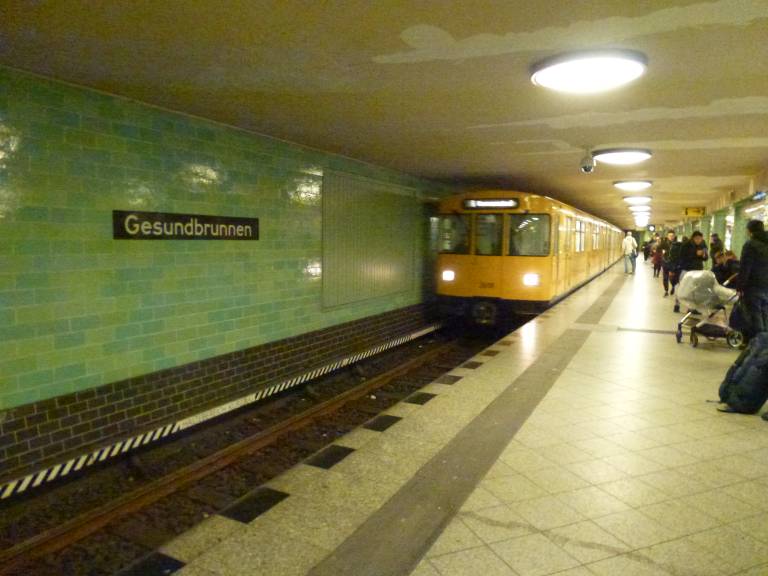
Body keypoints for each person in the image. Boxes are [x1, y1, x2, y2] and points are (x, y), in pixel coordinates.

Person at [736, 220, 768, 342]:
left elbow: (745, 268)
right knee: (765, 314)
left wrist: (740, 287)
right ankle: (764, 344)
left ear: (749, 231)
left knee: (755, 316)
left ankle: (758, 344)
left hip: (754, 286)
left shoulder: (750, 245)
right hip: (766, 286)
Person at [674, 230, 708, 312]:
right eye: (697, 239)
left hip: (697, 269)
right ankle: (677, 304)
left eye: (700, 239)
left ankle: (691, 308)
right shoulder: (686, 245)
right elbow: (682, 257)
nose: (699, 240)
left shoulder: (703, 244)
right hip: (687, 269)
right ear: (693, 238)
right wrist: (695, 254)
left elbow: (706, 257)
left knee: (694, 290)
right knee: (682, 287)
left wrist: (704, 255)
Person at [659, 230, 681, 297]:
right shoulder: (664, 243)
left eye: (672, 236)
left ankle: (673, 287)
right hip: (665, 262)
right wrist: (662, 251)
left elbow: (679, 254)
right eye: (670, 236)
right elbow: (658, 249)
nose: (671, 237)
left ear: (674, 236)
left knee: (672, 278)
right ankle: (666, 291)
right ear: (667, 236)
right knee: (665, 278)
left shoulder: (677, 244)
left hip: (673, 264)